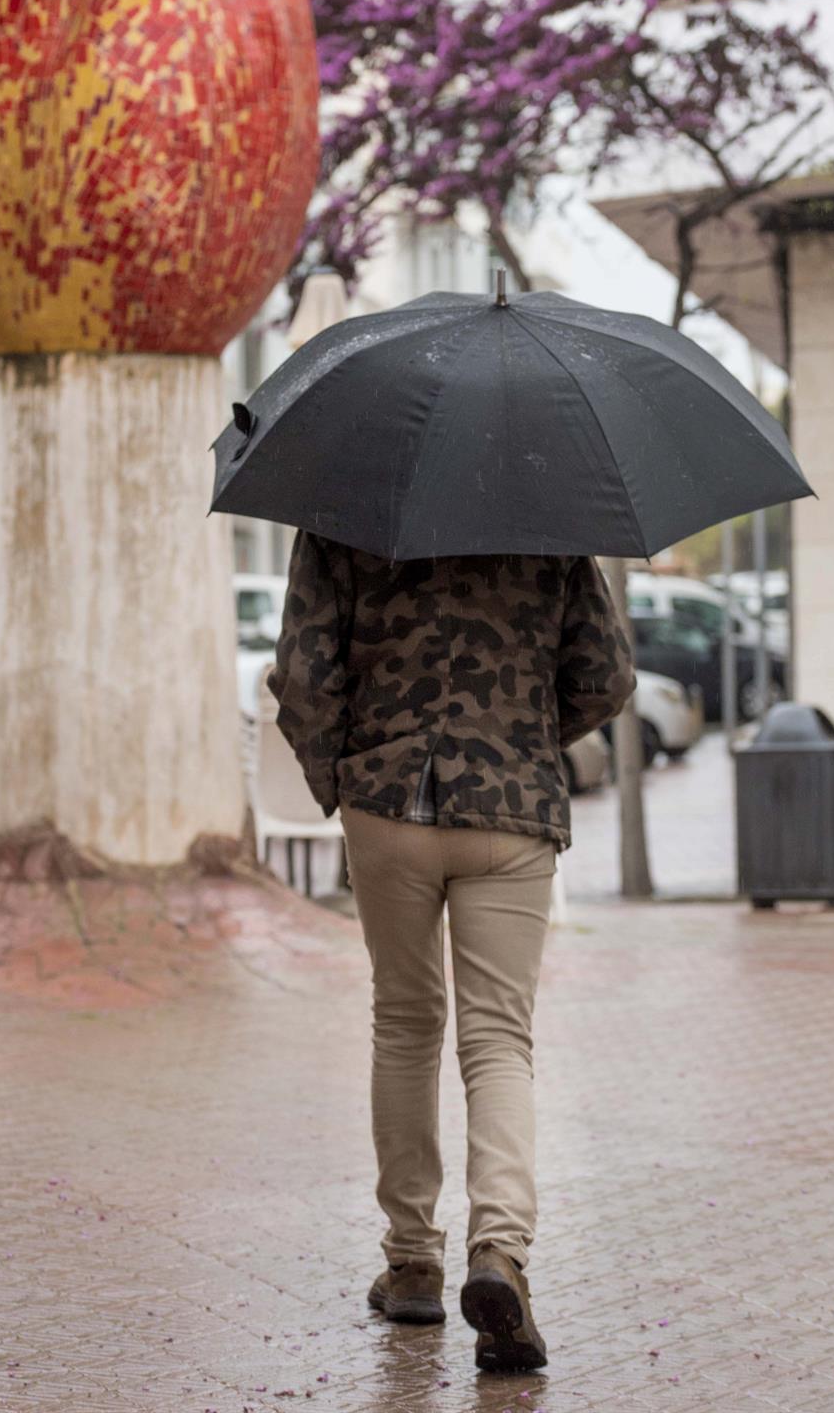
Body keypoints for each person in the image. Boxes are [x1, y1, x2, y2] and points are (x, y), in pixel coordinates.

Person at [269, 536, 635, 1374]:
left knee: (404, 1023)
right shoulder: (548, 518)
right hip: (510, 805)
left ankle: (411, 1260)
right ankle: (499, 1250)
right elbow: (606, 678)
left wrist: (347, 775)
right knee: (499, 1039)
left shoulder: (345, 513)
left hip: (388, 800)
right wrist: (526, 740)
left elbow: (302, 677)